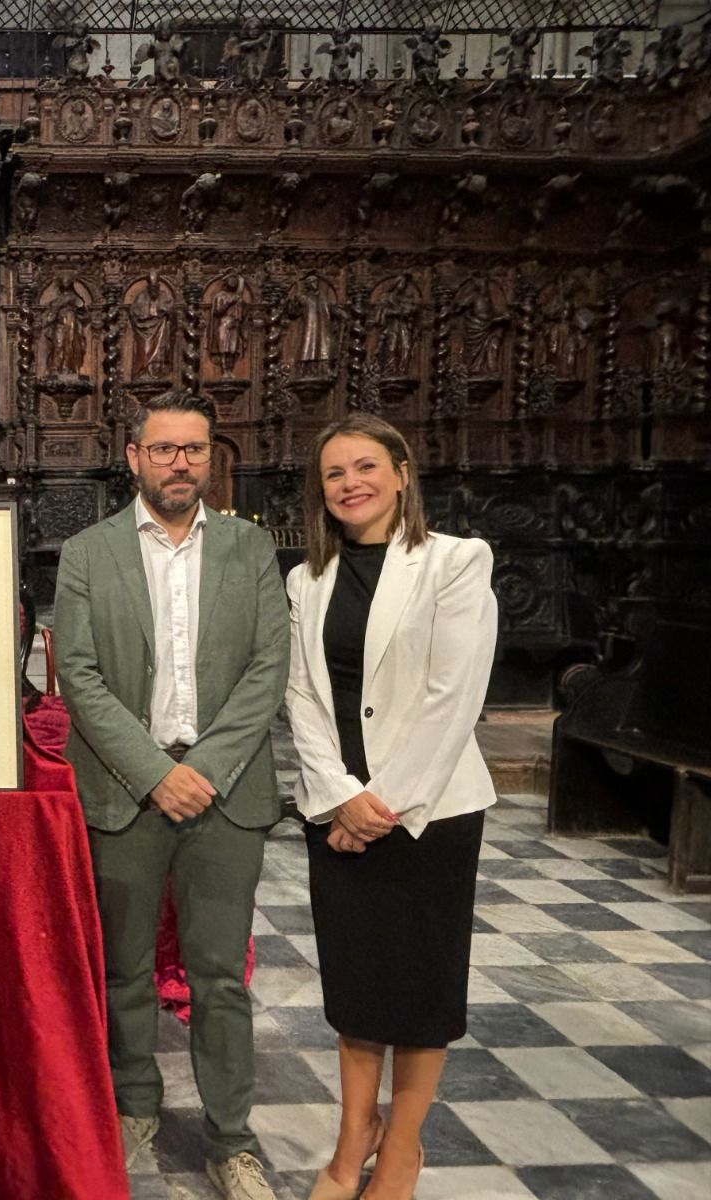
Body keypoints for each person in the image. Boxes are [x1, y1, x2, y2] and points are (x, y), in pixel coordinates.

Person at [54, 390, 289, 1200]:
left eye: (193, 450)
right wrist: (157, 773)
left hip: (225, 794)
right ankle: (133, 1104)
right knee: (121, 970)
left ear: (210, 458)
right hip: (126, 791)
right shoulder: (89, 552)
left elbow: (268, 670)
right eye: (164, 450)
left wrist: (204, 770)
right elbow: (78, 677)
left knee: (220, 975)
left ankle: (231, 1138)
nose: (179, 463)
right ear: (135, 457)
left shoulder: (249, 551)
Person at [284, 414, 497, 1200]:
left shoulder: (454, 563)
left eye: (366, 466)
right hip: (336, 810)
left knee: (421, 989)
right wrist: (342, 797)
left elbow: (454, 696)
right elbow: (302, 696)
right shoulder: (306, 579)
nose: (350, 484)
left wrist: (384, 803)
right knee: (356, 987)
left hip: (431, 812)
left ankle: (401, 1147)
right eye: (335, 473)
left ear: (403, 473)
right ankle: (352, 1138)